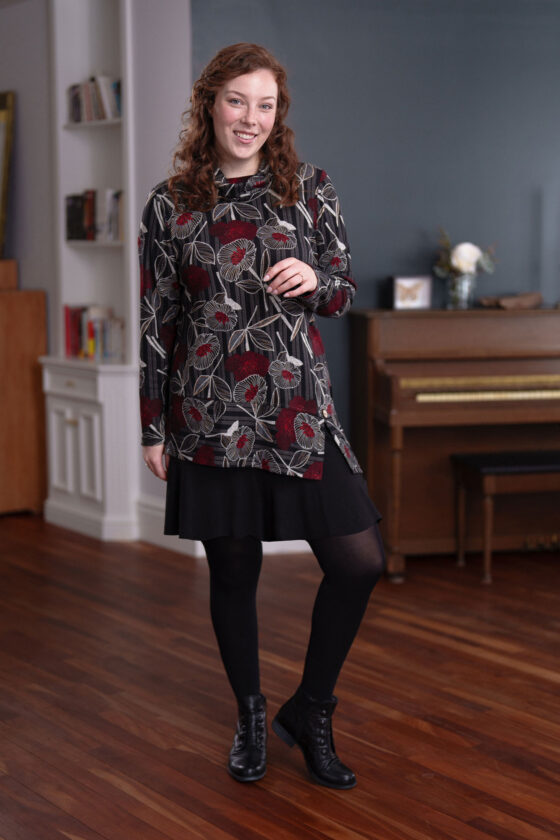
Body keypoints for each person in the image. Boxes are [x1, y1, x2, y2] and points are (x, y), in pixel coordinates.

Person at [139, 42, 385, 790]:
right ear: (209, 104)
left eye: (265, 104)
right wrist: (154, 426)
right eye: (237, 101)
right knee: (233, 569)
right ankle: (249, 714)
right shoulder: (171, 202)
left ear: (279, 114)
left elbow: (344, 293)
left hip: (298, 411)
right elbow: (160, 318)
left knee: (359, 561)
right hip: (208, 412)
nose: (250, 118)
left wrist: (315, 278)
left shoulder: (308, 189)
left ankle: (309, 709)